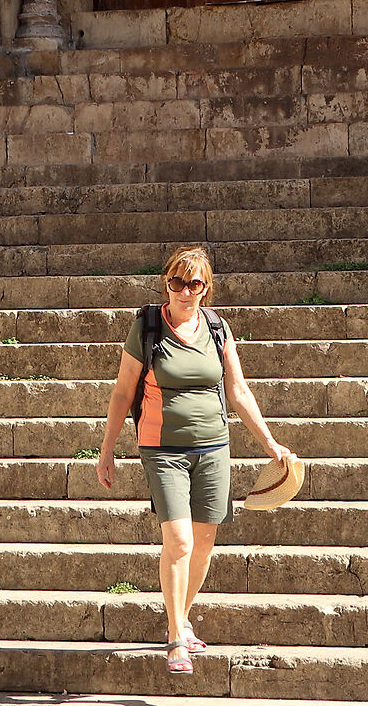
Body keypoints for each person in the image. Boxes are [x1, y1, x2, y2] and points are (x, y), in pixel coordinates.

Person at [96, 244, 295, 675]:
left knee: (204, 541)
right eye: (177, 283)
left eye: (194, 284)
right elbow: (121, 392)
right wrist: (107, 449)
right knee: (180, 541)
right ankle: (174, 640)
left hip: (213, 447)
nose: (184, 292)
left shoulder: (218, 329)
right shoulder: (147, 327)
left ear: (206, 288)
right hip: (161, 447)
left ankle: (182, 619)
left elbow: (239, 392)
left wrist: (271, 444)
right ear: (166, 283)